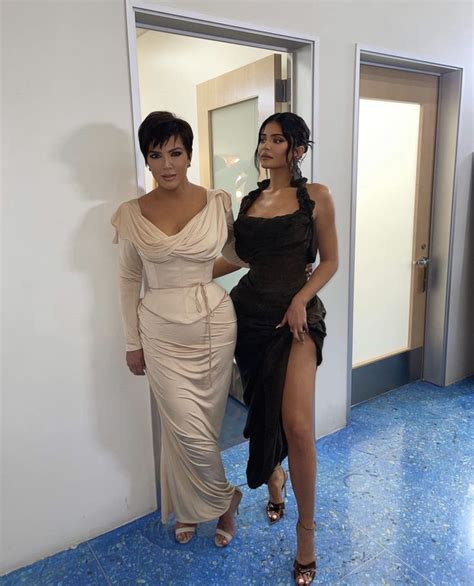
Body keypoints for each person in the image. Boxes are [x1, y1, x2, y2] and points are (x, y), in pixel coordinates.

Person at [111, 111, 245, 548]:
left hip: (214, 327)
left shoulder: (217, 202)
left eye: (175, 152)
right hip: (159, 334)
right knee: (182, 428)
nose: (167, 163)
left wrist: (274, 259)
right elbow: (130, 278)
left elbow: (234, 254)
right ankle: (224, 499)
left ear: (189, 156)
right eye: (156, 154)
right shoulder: (132, 214)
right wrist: (133, 343)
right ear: (147, 161)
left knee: (204, 427)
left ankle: (192, 506)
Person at [215, 112, 338, 584]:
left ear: (298, 149)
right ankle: (274, 477)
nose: (266, 146)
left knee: (298, 423)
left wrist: (301, 300)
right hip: (248, 316)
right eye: (263, 139)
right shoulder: (251, 200)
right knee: (264, 407)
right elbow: (240, 257)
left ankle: (306, 534)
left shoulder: (316, 197)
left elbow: (330, 261)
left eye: (277, 140)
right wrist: (184, 275)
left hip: (298, 320)